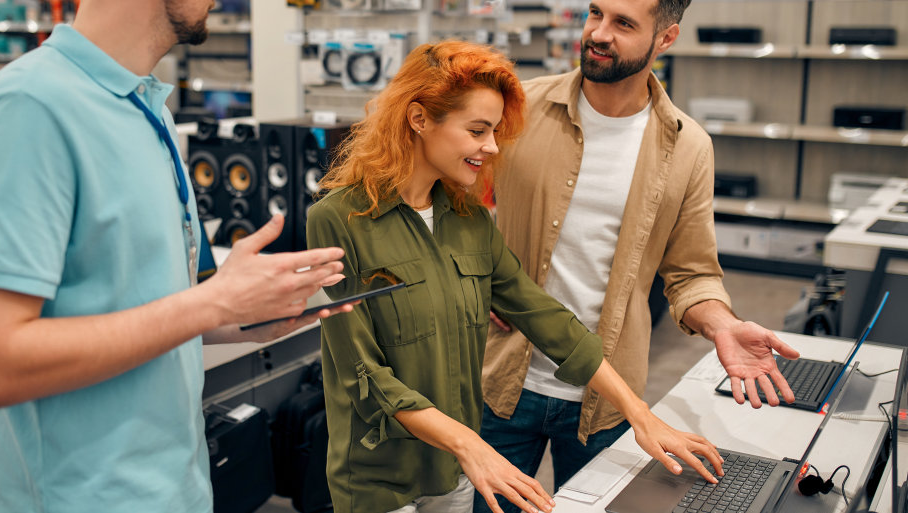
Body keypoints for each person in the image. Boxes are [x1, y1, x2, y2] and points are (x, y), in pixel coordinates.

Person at [0, 0, 352, 511]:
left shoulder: (147, 108)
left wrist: (235, 316)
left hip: (175, 489)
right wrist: (211, 300)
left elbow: (134, 308)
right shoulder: (30, 109)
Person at [307, 40, 725, 513]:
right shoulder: (339, 219)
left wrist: (641, 414)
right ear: (419, 118)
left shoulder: (470, 223)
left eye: (494, 131)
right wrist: (473, 446)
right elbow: (363, 373)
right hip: (380, 479)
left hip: (453, 473)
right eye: (478, 130)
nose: (491, 146)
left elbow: (545, 317)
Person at [474, 0, 802, 513]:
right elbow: (452, 209)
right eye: (596, 13)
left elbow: (692, 272)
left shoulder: (688, 147)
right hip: (502, 381)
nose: (599, 33)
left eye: (624, 23)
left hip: (606, 402)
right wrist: (472, 281)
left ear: (665, 38)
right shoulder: (518, 109)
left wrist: (722, 324)